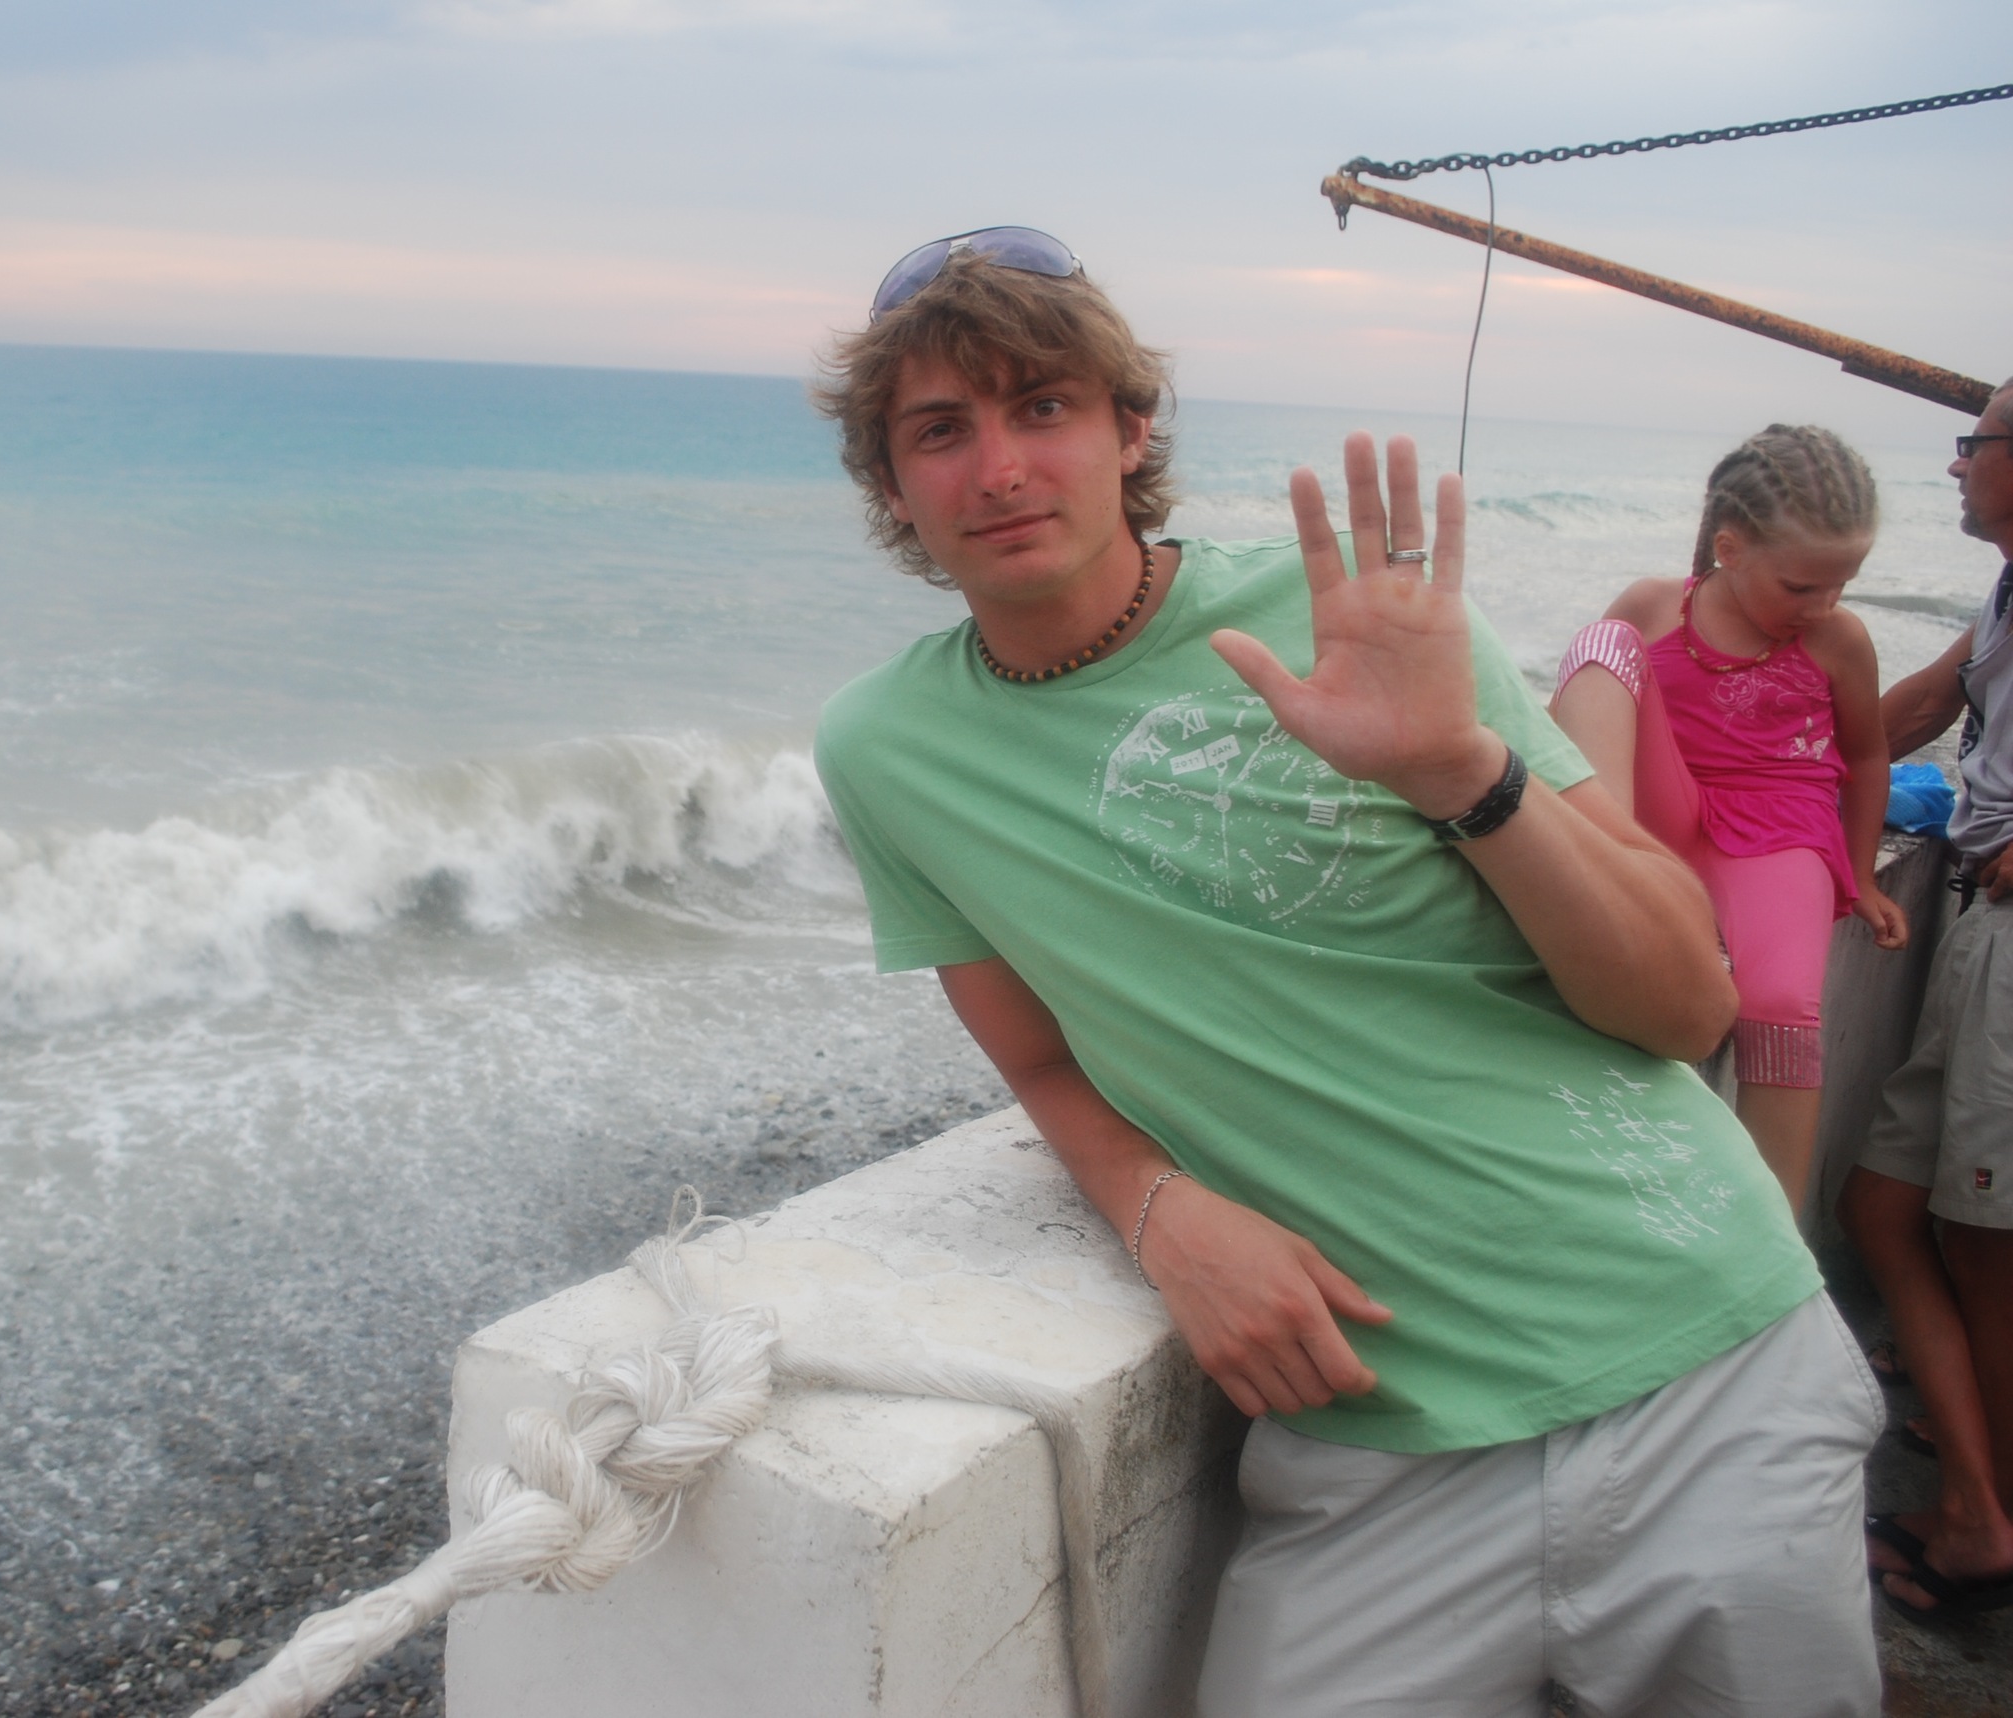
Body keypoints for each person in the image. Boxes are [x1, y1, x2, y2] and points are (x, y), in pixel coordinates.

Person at [811, 231, 1881, 1716]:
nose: (997, 468)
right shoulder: (888, 751)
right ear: (889, 481)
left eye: (1042, 406)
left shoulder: (1356, 622)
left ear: (1131, 429)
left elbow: (1686, 1004)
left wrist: (1460, 769)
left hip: (1699, 1350)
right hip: (1374, 1436)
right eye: (940, 430)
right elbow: (1040, 1056)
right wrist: (1165, 1212)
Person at [1548, 427, 1908, 1214]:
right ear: (1730, 549)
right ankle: (1585, 867)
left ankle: (1774, 1227)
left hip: (1782, 827)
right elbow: (1581, 715)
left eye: (1840, 585)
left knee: (1778, 1001)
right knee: (1605, 643)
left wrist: (1862, 875)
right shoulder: (1655, 606)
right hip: (1665, 812)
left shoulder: (1838, 640)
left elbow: (1868, 754)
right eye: (1801, 587)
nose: (1823, 606)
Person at [1841, 378, 2013, 1623]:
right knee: (1884, 1201)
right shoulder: (2004, 593)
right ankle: (1978, 1482)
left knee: (1985, 1242)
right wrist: (1774, 759)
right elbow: (1909, 711)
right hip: (1973, 923)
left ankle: (1980, 1521)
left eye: (1975, 441)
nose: (1956, 463)